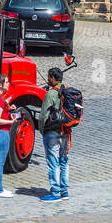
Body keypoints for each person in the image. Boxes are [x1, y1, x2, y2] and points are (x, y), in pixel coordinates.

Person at [40, 67, 69, 202]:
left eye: (48, 77)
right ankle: (64, 191)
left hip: (52, 132)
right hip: (65, 132)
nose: (47, 79)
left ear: (52, 78)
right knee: (63, 161)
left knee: (53, 162)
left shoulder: (50, 94)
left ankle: (55, 192)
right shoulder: (65, 91)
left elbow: (44, 115)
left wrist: (42, 130)